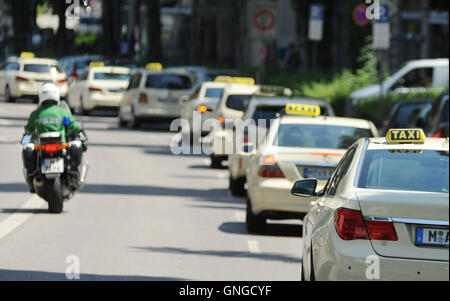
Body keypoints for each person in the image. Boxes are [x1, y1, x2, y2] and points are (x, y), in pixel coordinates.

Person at [22, 83, 84, 193]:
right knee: (76, 146)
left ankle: (31, 180)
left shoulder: (36, 114)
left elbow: (28, 131)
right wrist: (81, 134)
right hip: (61, 146)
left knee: (27, 149)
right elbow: (74, 127)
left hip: (42, 147)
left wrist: (25, 140)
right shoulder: (63, 112)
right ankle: (74, 178)